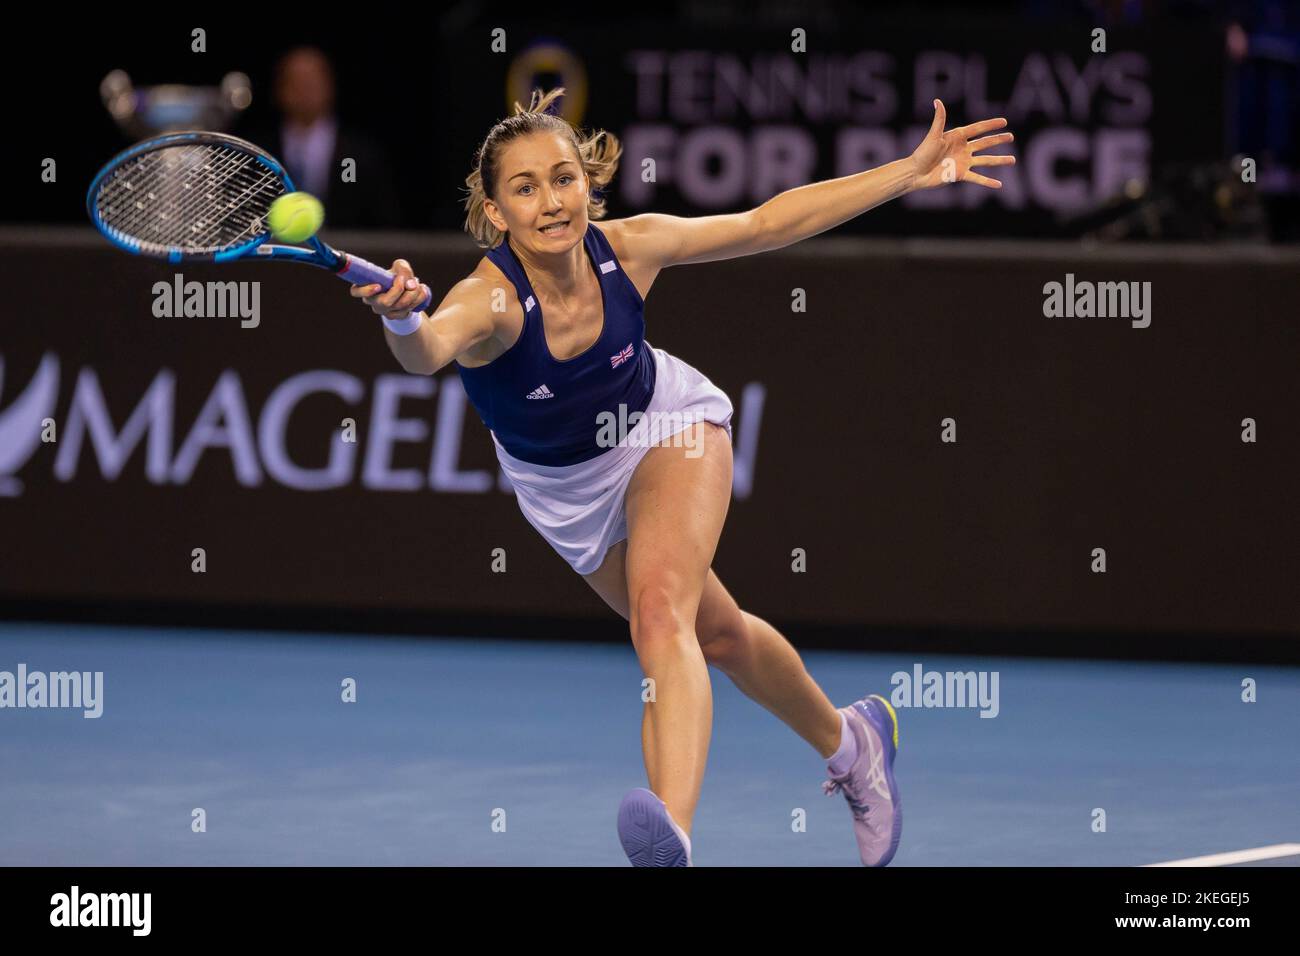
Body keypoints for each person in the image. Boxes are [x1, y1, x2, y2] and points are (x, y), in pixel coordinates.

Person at [350, 87, 1015, 866]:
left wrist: (906, 173)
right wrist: (400, 317)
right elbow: (426, 351)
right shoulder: (488, 302)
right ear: (496, 212)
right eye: (524, 188)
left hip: (667, 426)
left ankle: (673, 834)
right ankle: (853, 740)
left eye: (563, 178)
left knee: (659, 616)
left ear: (587, 187)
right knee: (721, 637)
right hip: (564, 493)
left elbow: (768, 223)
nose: (550, 201)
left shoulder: (630, 246)